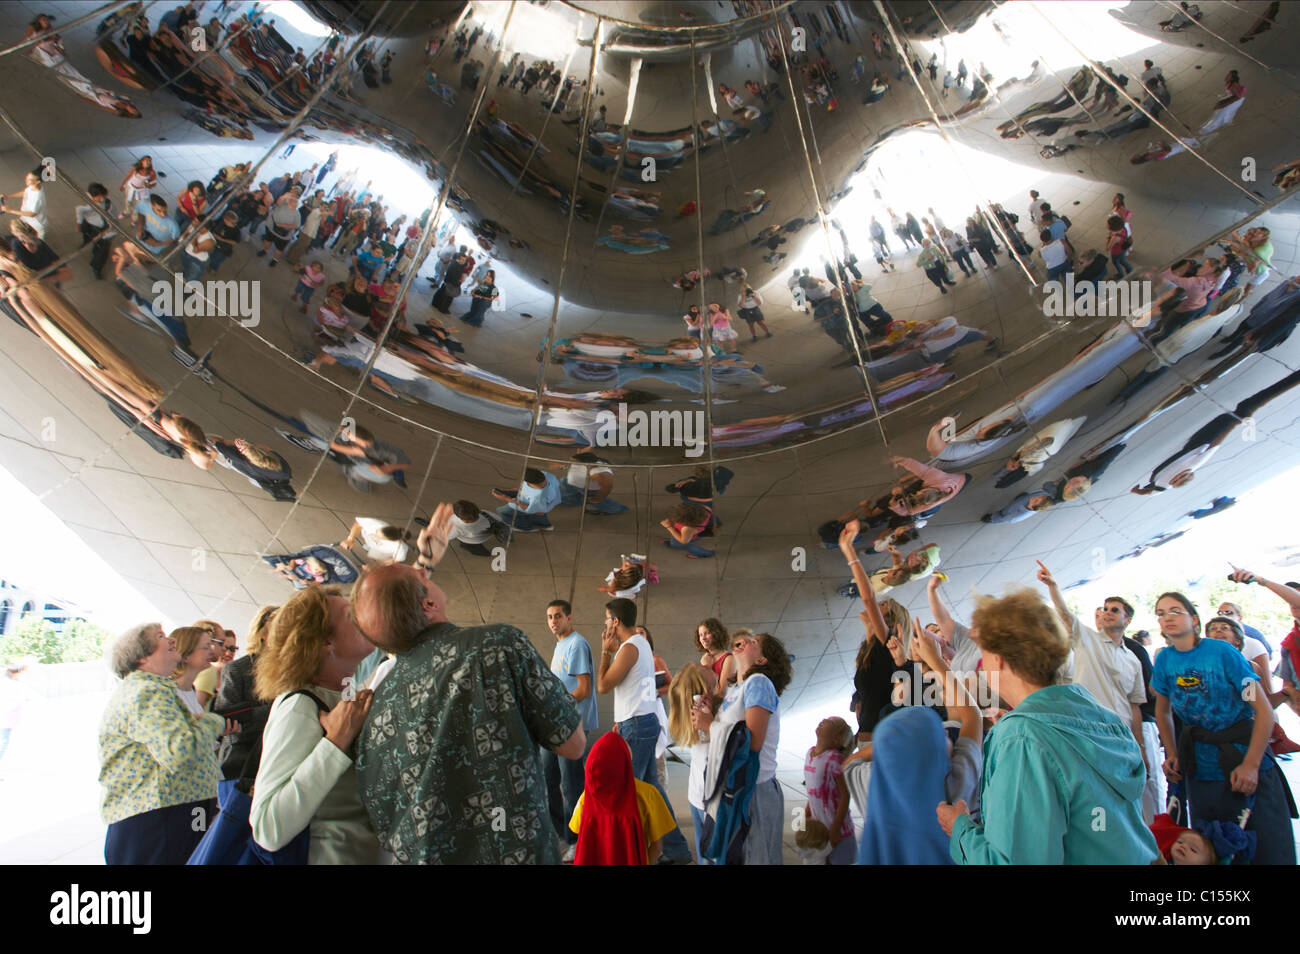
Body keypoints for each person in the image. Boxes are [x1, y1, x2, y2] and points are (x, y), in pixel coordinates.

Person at [353, 508, 585, 864]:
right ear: (429, 603)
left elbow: (383, 818)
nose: (422, 570)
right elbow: (572, 742)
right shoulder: (498, 645)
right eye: (418, 574)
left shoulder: (375, 701)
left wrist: (425, 563)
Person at [937, 589, 1158, 864]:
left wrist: (959, 828)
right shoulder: (1106, 719)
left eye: (984, 656)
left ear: (1001, 660)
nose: (980, 667)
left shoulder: (1021, 739)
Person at [1150, 592, 1294, 865]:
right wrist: (1171, 752)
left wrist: (1251, 765)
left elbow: (1263, 710)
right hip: (1200, 767)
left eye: (1175, 611)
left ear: (1194, 620)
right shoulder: (1165, 660)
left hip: (1243, 757)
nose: (1167, 617)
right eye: (1161, 613)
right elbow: (1162, 710)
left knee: (1266, 848)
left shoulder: (1223, 652)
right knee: (1210, 849)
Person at [250, 586, 383, 864]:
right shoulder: (300, 706)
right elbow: (267, 828)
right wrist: (334, 744)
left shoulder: (343, 696)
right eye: (350, 615)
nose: (362, 617)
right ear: (325, 642)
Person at [99, 623, 235, 864]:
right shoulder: (147, 692)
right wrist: (213, 721)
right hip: (159, 818)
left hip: (182, 810)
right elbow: (179, 750)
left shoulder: (156, 689)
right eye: (161, 637)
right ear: (141, 657)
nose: (171, 640)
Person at [1036, 564, 1156, 820]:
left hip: (1122, 737)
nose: (1108, 613)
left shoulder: (1133, 660)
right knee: (1095, 799)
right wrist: (1053, 586)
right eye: (1105, 608)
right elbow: (1065, 615)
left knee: (1127, 800)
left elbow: (1134, 705)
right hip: (1088, 733)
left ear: (1128, 620)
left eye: (1115, 610)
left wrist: (1140, 745)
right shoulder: (1086, 639)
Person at [597, 597, 693, 863]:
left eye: (607, 618)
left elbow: (603, 685)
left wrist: (605, 651)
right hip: (643, 721)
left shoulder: (629, 648)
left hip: (636, 726)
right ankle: (676, 850)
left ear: (615, 621)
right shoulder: (639, 645)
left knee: (628, 792)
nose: (605, 624)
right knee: (652, 790)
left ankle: (629, 852)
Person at [690, 630, 791, 864]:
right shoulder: (737, 690)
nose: (744, 640)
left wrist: (710, 725)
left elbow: (753, 742)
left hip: (753, 791)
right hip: (737, 788)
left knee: (753, 856)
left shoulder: (760, 683)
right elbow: (733, 730)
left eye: (753, 642)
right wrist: (712, 714)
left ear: (761, 660)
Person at [567, 732, 675, 864]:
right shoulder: (648, 794)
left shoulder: (586, 798)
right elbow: (657, 846)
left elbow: (578, 831)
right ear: (626, 762)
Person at [542, 599, 596, 862]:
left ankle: (577, 839)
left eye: (558, 616)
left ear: (569, 618)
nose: (554, 621)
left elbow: (583, 690)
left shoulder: (576, 645)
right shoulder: (560, 645)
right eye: (550, 617)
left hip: (570, 726)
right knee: (547, 777)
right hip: (553, 723)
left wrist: (557, 703)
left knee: (571, 784)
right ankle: (559, 833)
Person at [803, 716, 855, 864]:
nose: (824, 721)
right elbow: (812, 790)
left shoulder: (835, 759)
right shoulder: (809, 754)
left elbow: (845, 796)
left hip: (838, 832)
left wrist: (836, 828)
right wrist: (806, 815)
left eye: (830, 723)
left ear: (837, 739)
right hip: (819, 831)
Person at [492, 467, 562, 532]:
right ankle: (545, 525)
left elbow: (539, 512)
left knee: (502, 512)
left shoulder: (538, 497)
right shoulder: (546, 475)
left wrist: (508, 499)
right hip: (540, 503)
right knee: (539, 513)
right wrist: (513, 491)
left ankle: (526, 527)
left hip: (531, 504)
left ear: (531, 483)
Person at [337, 517, 413, 563]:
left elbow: (395, 561)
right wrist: (350, 539)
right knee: (371, 549)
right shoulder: (376, 524)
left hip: (383, 551)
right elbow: (358, 524)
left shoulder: (400, 548)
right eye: (377, 531)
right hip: (373, 544)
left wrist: (376, 567)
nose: (374, 533)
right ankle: (371, 546)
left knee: (374, 556)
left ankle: (374, 549)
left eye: (378, 536)